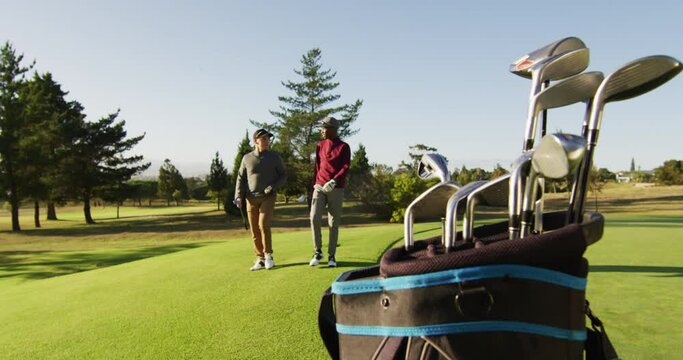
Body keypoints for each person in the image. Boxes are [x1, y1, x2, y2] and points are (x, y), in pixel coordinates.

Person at [235, 128, 287, 271]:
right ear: (255, 141)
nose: (267, 141)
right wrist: (238, 196)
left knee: (263, 224)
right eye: (263, 138)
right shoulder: (247, 158)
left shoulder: (274, 157)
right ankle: (260, 258)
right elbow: (240, 178)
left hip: (268, 197)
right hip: (250, 198)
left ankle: (268, 255)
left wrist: (273, 186)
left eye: (268, 138)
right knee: (254, 230)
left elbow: (283, 176)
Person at [309, 116, 351, 267]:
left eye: (324, 127)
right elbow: (317, 167)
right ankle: (317, 251)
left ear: (333, 129)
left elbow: (345, 167)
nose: (322, 130)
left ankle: (332, 256)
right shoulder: (320, 145)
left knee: (333, 223)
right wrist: (315, 184)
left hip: (336, 188)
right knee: (314, 217)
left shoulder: (344, 147)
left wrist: (334, 181)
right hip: (319, 186)